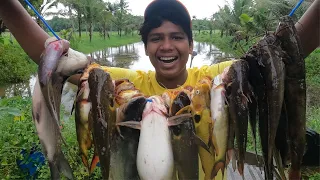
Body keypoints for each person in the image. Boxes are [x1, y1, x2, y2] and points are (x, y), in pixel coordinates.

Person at [0, 0, 319, 179]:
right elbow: (53, 61)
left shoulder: (218, 77)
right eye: (156, 38)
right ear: (147, 48)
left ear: (192, 45)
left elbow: (289, 51)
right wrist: (9, 7)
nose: (167, 46)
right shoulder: (121, 83)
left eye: (177, 36)